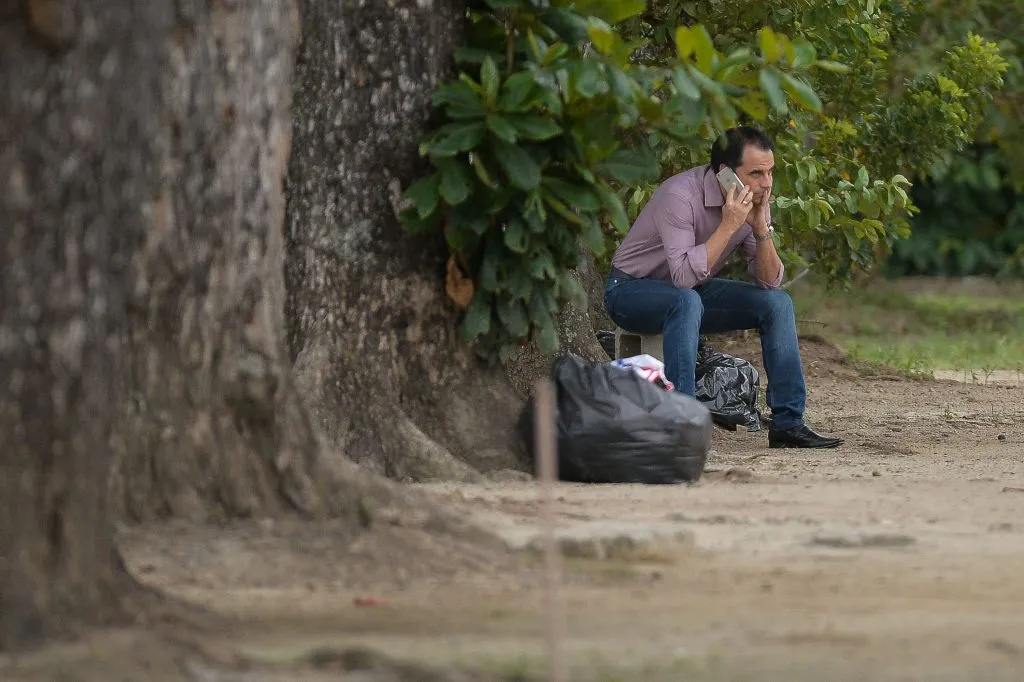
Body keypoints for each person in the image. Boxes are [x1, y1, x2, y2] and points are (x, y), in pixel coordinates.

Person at [604, 126, 843, 449]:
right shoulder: (679, 196)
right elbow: (684, 279)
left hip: (690, 294)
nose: (767, 183)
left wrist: (759, 227)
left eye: (770, 172)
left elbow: (770, 281)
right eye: (756, 173)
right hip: (630, 291)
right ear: (725, 174)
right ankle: (683, 422)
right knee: (685, 301)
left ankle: (788, 424)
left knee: (777, 303)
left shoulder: (754, 198)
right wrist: (730, 224)